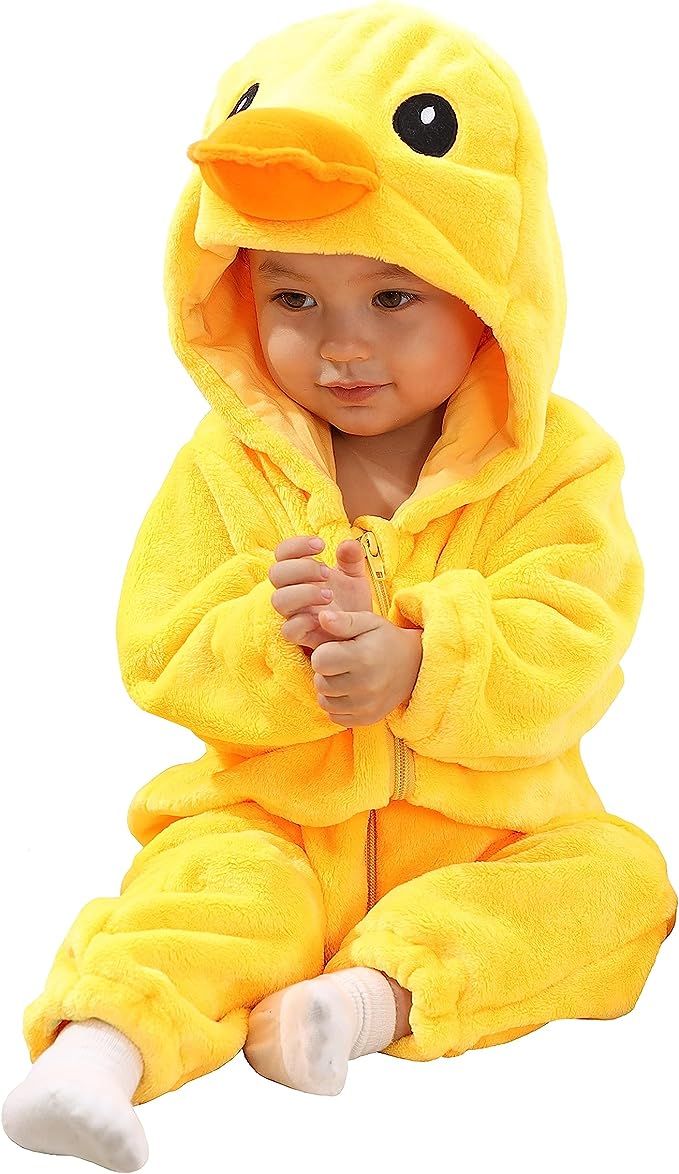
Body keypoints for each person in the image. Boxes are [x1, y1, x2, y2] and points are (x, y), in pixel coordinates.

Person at [3, 2, 676, 1170]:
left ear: (492, 294)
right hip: (274, 819)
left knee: (616, 883)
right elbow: (158, 644)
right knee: (206, 890)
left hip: (486, 839)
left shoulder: (559, 464)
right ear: (235, 291)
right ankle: (95, 1055)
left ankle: (359, 1002)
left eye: (392, 296)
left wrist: (423, 658)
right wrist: (279, 648)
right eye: (293, 299)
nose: (343, 347)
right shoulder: (230, 466)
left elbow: (577, 639)